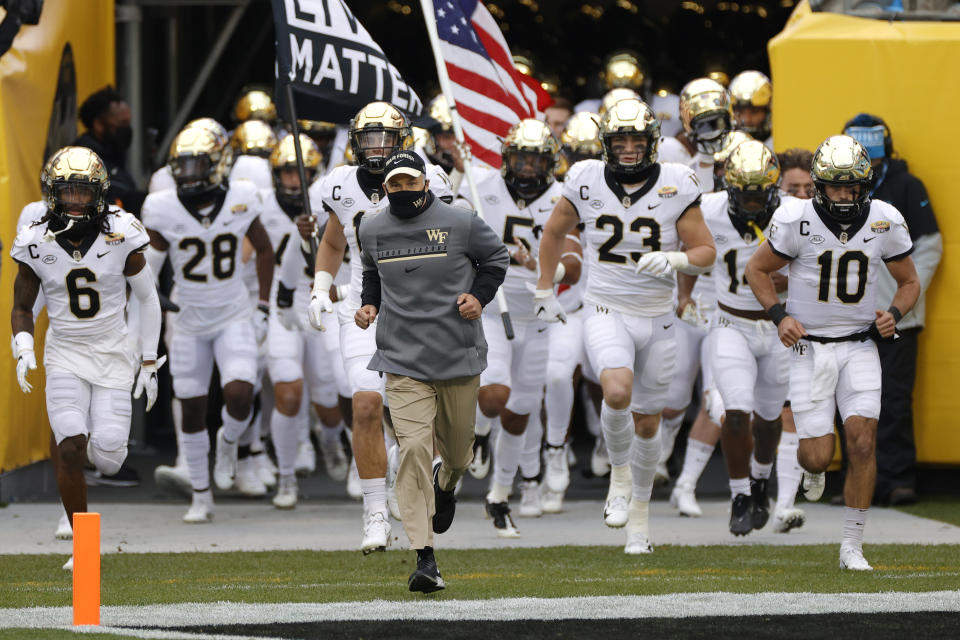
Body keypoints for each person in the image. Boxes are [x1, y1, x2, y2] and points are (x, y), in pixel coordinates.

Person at [536, 98, 715, 554]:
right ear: (606, 143)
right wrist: (543, 288)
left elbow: (705, 252)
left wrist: (675, 258)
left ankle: (640, 520)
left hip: (658, 316)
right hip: (605, 308)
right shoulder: (585, 177)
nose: (630, 148)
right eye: (621, 140)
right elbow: (554, 232)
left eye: (638, 139)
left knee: (649, 423)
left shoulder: (677, 181)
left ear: (653, 141)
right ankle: (618, 475)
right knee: (616, 392)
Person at [745, 134, 920, 570]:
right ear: (820, 185)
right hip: (810, 348)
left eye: (853, 185)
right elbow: (757, 269)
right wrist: (779, 315)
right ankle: (812, 468)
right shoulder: (796, 218)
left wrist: (894, 314)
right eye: (837, 185)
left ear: (866, 184)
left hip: (860, 344)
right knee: (817, 454)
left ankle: (852, 546)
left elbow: (910, 282)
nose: (845, 194)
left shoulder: (885, 219)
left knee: (862, 441)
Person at [302, 101, 453, 554]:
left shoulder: (431, 179)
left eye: (385, 138)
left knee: (420, 418)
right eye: (368, 138)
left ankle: (439, 478)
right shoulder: (341, 184)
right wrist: (320, 286)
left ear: (402, 140)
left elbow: (452, 241)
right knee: (366, 403)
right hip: (362, 308)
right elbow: (333, 240)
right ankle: (374, 513)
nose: (376, 147)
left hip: (418, 310)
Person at [356, 149, 508, 593]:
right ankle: (424, 557)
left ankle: (449, 484)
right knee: (414, 451)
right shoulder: (372, 226)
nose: (403, 190)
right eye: (394, 184)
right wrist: (369, 306)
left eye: (410, 182)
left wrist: (479, 297)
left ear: (425, 182)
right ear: (385, 187)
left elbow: (496, 259)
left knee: (459, 455)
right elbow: (372, 271)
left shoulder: (460, 221)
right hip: (402, 358)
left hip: (457, 354)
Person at [11, 146, 162, 570]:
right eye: (68, 191)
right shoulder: (35, 238)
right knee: (70, 446)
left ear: (98, 193)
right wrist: (23, 346)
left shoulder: (123, 232)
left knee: (110, 457)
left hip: (114, 352)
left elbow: (148, 300)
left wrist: (149, 360)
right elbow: (23, 305)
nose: (75, 200)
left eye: (83, 191)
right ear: (53, 193)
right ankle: (83, 543)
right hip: (65, 351)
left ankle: (101, 451)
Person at [142, 123, 274, 523]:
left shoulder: (242, 197)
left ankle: (230, 442)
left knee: (240, 392)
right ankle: (201, 495)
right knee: (193, 406)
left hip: (233, 311)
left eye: (197, 165)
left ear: (218, 164)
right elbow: (148, 266)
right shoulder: (162, 206)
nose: (189, 174)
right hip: (188, 320)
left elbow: (265, 251)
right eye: (182, 166)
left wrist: (263, 305)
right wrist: (149, 295)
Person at [458, 119, 580, 533]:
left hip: (540, 316)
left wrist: (541, 266)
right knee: (494, 398)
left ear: (550, 162)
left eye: (536, 159)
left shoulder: (563, 197)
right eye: (521, 158)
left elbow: (576, 264)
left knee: (519, 415)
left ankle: (499, 495)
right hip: (492, 308)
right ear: (507, 157)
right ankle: (476, 434)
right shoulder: (480, 187)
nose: (527, 168)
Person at [691, 140, 790, 536]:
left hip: (779, 326)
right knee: (735, 413)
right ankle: (738, 495)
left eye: (759, 194)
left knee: (768, 419)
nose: (751, 203)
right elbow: (691, 246)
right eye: (744, 194)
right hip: (731, 322)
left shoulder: (795, 213)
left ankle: (761, 480)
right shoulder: (708, 208)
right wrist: (685, 294)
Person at [843, 114, 942, 506]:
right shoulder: (835, 190)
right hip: (847, 316)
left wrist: (904, 296)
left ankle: (898, 479)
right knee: (849, 400)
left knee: (895, 399)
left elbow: (930, 245)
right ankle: (858, 482)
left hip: (898, 315)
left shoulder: (905, 185)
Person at [266, 134, 350, 508]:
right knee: (287, 391)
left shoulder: (331, 194)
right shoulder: (263, 202)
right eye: (284, 174)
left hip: (329, 299)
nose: (292, 181)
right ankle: (285, 478)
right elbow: (289, 255)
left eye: (295, 173)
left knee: (330, 396)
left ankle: (332, 440)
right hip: (292, 298)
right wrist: (281, 298)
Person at [73, 86, 144, 214]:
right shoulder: (83, 161)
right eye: (122, 123)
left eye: (128, 123)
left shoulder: (114, 154)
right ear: (98, 125)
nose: (126, 129)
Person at [659, 78, 733, 189]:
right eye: (702, 125)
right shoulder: (668, 150)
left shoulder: (738, 144)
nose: (711, 132)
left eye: (715, 123)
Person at [729, 71, 773, 148]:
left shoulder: (780, 145)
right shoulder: (722, 148)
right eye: (740, 112)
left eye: (754, 112)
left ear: (768, 112)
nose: (747, 120)